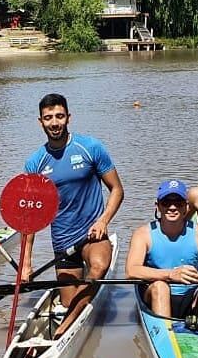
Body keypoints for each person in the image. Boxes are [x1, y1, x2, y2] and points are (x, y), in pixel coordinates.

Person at [20, 93, 124, 337]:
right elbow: (31, 218)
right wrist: (26, 263)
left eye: (59, 116)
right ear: (40, 122)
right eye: (48, 118)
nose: (54, 123)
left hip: (92, 234)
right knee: (69, 302)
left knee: (98, 267)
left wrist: (103, 220)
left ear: (68, 117)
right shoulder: (35, 163)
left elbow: (117, 190)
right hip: (63, 241)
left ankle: (63, 329)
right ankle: (73, 309)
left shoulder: (90, 148)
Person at [126, 180, 198, 334]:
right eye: (166, 202)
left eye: (178, 203)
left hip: (192, 299)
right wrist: (170, 275)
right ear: (157, 206)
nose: (172, 207)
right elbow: (131, 271)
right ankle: (165, 338)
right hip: (158, 294)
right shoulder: (143, 234)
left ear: (186, 207)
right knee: (160, 286)